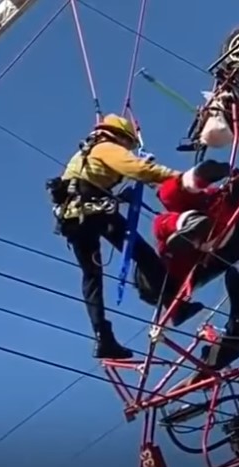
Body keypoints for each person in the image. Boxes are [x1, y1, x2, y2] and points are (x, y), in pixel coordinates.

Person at [47, 114, 204, 360]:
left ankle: (103, 337)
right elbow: (138, 169)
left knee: (91, 278)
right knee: (143, 254)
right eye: (128, 144)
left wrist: (120, 197)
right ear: (120, 136)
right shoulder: (106, 148)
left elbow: (90, 185)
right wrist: (182, 178)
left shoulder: (84, 155)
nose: (127, 149)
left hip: (73, 219)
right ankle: (176, 306)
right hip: (94, 214)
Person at [152, 158, 239, 325]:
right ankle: (190, 212)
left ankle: (193, 190)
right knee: (164, 215)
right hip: (220, 237)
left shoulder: (169, 258)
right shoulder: (174, 267)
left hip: (218, 222)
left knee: (168, 204)